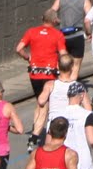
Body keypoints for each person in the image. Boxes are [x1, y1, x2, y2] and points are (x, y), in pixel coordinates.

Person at [19, 9, 70, 141]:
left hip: (34, 73)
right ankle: (36, 134)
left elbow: (19, 48)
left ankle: (36, 129)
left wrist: (27, 57)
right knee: (46, 104)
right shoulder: (57, 34)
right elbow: (63, 53)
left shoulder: (31, 31)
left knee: (40, 101)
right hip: (49, 74)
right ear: (54, 21)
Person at [52, 0, 93, 75]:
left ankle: (61, 83)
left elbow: (51, 14)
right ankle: (71, 86)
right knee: (76, 65)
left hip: (62, 36)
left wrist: (59, 21)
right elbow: (88, 20)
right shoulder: (85, 1)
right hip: (77, 36)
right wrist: (89, 33)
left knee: (62, 62)